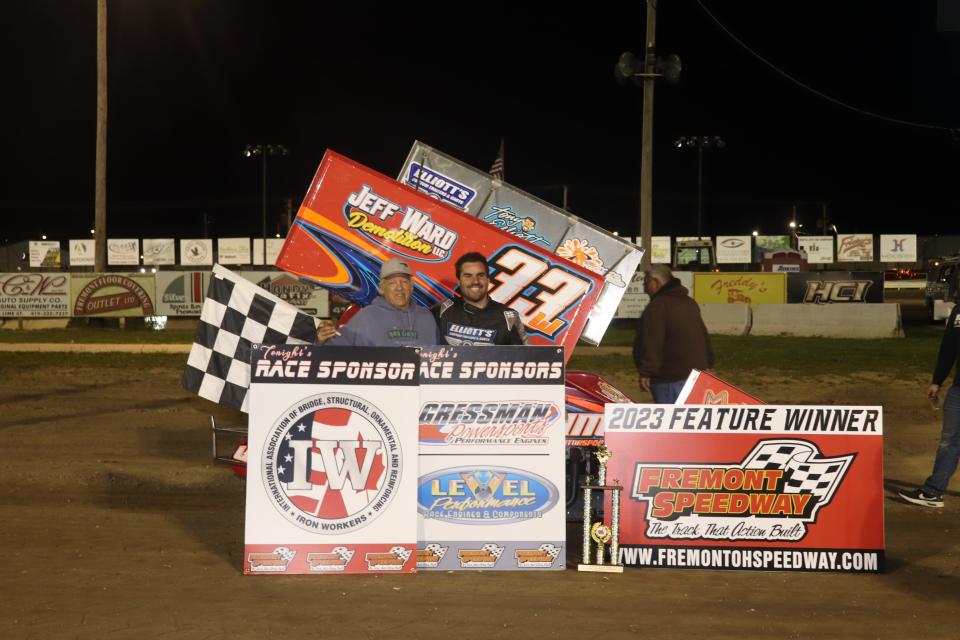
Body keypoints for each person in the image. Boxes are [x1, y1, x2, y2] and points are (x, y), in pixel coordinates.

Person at [899, 303, 960, 508]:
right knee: (948, 442)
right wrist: (937, 380)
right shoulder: (959, 309)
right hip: (958, 389)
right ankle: (933, 492)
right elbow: (949, 346)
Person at [632, 264, 714, 403]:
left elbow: (652, 342)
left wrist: (646, 372)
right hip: (696, 375)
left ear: (655, 282)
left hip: (668, 377)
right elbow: (703, 336)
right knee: (687, 422)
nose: (644, 288)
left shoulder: (658, 306)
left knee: (671, 422)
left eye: (646, 283)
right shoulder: (689, 303)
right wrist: (708, 364)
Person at [315, 258, 440, 347]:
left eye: (404, 282)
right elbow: (333, 352)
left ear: (412, 286)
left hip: (422, 383)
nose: (399, 287)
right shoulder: (365, 316)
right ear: (382, 288)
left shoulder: (427, 317)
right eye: (392, 283)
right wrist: (320, 342)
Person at [434, 252, 529, 346]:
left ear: (488, 280)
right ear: (459, 281)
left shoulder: (509, 317)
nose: (475, 281)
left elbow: (528, 357)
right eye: (468, 276)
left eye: (480, 275)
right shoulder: (443, 309)